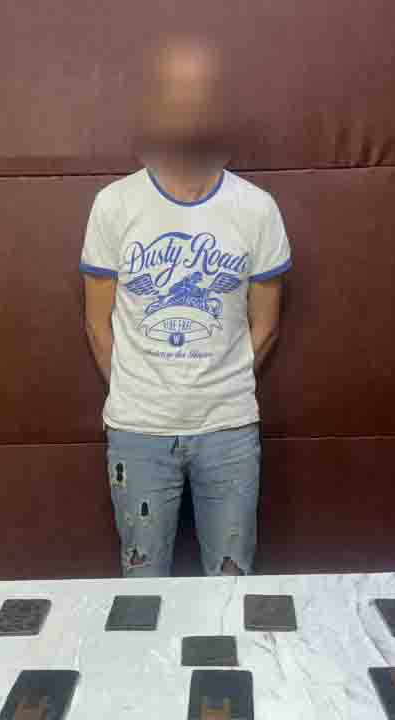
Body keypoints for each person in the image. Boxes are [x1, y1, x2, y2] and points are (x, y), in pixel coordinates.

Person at [80, 36, 291, 577]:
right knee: (143, 581)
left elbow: (266, 324)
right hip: (137, 430)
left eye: (200, 96)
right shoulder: (114, 205)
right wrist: (141, 389)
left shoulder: (257, 209)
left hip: (229, 428)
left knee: (231, 581)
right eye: (175, 95)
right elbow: (97, 324)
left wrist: (218, 383)